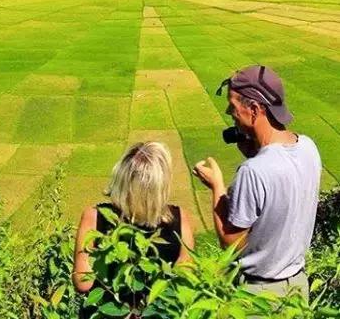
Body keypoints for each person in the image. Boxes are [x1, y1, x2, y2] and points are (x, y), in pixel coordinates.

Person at [193, 64, 321, 300]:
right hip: (298, 289)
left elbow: (232, 244)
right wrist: (256, 154)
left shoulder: (252, 172)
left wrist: (217, 187)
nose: (230, 113)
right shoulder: (308, 147)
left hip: (259, 296)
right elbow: (279, 184)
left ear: (254, 109)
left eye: (233, 108)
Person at [72, 142, 194, 316]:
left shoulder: (94, 217)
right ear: (161, 184)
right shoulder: (181, 219)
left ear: (121, 177)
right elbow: (184, 283)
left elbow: (82, 283)